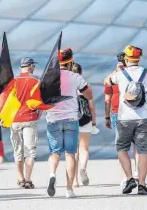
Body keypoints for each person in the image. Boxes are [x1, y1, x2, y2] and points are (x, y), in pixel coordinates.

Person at [104, 45, 147, 195]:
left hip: (124, 118)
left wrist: (117, 70)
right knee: (142, 151)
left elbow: (106, 82)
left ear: (127, 59)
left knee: (121, 148)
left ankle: (129, 179)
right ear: (138, 58)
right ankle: (141, 185)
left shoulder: (120, 74)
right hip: (143, 118)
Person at [46, 48, 94, 199]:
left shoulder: (48, 77)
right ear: (70, 61)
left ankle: (52, 174)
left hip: (53, 118)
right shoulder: (75, 76)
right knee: (70, 155)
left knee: (54, 153)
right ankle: (69, 189)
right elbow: (89, 94)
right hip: (71, 119)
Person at [10, 57, 41, 189]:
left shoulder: (13, 81)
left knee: (18, 151)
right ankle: (28, 179)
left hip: (15, 119)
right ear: (30, 66)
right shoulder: (36, 81)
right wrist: (39, 113)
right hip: (30, 119)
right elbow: (40, 100)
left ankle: (20, 178)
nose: (34, 68)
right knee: (30, 151)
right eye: (33, 66)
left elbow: (7, 101)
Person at [71, 62, 96, 188]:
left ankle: (74, 181)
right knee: (84, 149)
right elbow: (91, 107)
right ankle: (83, 168)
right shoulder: (87, 86)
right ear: (81, 72)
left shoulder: (68, 85)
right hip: (86, 119)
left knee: (73, 151)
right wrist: (94, 121)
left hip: (72, 119)